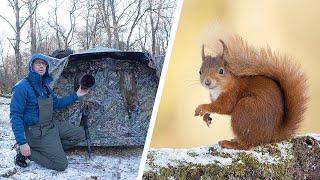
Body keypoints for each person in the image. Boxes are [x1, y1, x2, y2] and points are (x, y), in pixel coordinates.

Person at [10, 54, 89, 171]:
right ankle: (25, 152)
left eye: (44, 64)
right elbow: (15, 116)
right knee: (61, 165)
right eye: (38, 63)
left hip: (51, 126)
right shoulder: (21, 87)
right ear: (31, 66)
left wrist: (77, 95)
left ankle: (52, 147)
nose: (41, 66)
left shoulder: (46, 87)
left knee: (80, 134)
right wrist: (22, 142)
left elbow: (57, 104)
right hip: (36, 132)